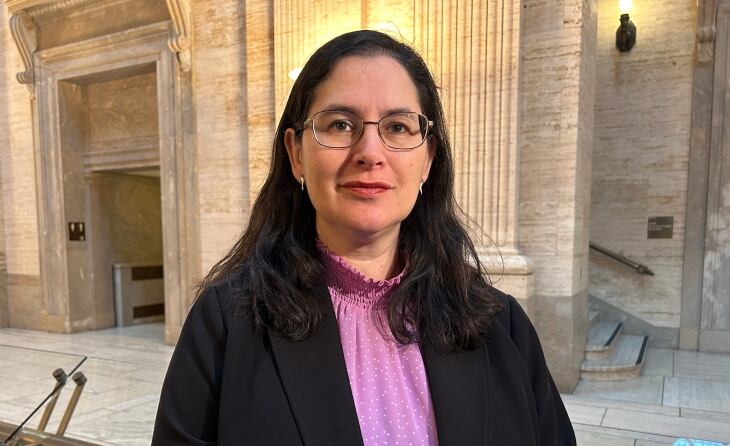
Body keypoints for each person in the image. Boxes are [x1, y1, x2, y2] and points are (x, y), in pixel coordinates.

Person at [152, 30, 576, 446]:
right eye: (339, 124)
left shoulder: (503, 325)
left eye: (397, 127)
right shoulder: (225, 325)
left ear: (427, 158)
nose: (370, 152)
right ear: (296, 153)